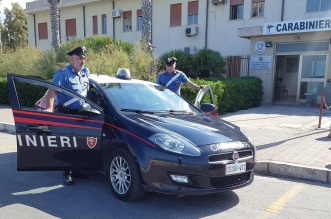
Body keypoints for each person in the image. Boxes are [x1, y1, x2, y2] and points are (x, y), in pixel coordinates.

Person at [45, 45, 89, 186]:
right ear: (71, 59)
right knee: (68, 144)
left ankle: (75, 169)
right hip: (67, 114)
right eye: (79, 58)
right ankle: (67, 172)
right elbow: (52, 92)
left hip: (82, 115)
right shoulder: (63, 73)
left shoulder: (85, 73)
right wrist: (49, 108)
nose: (82, 61)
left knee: (79, 144)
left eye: (83, 58)